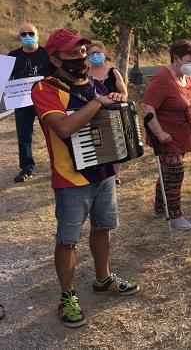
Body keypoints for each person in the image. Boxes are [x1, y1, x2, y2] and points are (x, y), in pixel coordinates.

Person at [31, 28, 139, 328]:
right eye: (72, 53)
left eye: (82, 51)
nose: (80, 56)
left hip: (103, 171)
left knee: (104, 226)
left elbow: (105, 118)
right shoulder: (44, 89)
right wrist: (97, 103)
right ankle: (67, 296)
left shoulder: (92, 84)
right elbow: (63, 128)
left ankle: (103, 279)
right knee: (67, 240)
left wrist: (115, 100)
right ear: (55, 59)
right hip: (70, 177)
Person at [141, 39, 191, 231]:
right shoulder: (162, 79)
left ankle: (160, 207)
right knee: (175, 172)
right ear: (176, 58)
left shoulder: (187, 78)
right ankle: (175, 215)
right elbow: (147, 106)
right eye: (189, 60)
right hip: (166, 136)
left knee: (167, 172)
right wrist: (159, 133)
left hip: (183, 134)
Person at [8, 22, 52, 182]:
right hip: (22, 103)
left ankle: (58, 165)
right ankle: (26, 169)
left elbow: (57, 76)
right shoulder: (12, 56)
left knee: (52, 133)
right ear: (19, 37)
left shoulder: (47, 54)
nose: (27, 37)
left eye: (31, 33)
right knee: (24, 136)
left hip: (46, 102)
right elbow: (4, 79)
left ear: (38, 35)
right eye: (23, 34)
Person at [87, 40, 128, 185]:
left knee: (116, 143)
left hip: (113, 113)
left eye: (98, 53)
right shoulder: (85, 74)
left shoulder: (113, 72)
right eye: (92, 54)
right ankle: (101, 173)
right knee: (98, 142)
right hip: (93, 113)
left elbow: (124, 93)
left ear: (104, 54)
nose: (95, 56)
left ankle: (116, 175)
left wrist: (114, 98)